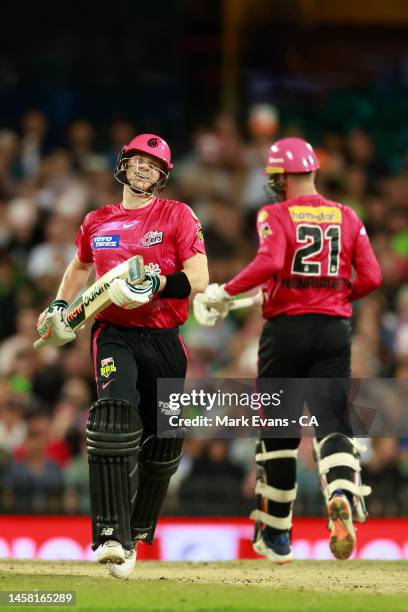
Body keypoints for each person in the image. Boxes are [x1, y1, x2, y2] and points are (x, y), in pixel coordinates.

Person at [196, 137, 381, 563]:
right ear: (314, 171)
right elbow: (370, 277)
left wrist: (225, 291)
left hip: (286, 331)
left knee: (278, 431)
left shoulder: (275, 213)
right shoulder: (348, 216)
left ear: (281, 176)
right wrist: (331, 294)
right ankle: (340, 489)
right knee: (333, 421)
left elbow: (270, 262)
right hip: (334, 329)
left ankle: (277, 535)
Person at [35, 133, 209, 578]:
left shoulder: (177, 215)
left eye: (153, 165)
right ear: (124, 165)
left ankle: (135, 531)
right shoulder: (97, 220)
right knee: (113, 417)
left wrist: (156, 284)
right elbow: (79, 266)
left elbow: (200, 279)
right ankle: (111, 534)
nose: (144, 170)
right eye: (138, 161)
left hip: (166, 337)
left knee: (166, 440)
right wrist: (59, 306)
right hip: (115, 333)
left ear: (163, 176)